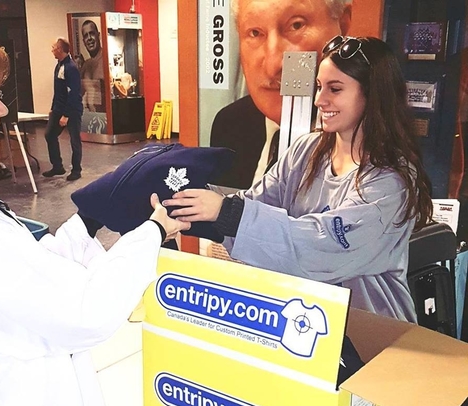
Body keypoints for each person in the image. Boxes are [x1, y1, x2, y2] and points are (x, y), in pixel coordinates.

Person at [0, 36, 190, 406]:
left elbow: (32, 276)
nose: (2, 112)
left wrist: (88, 219)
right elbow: (83, 313)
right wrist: (152, 232)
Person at [164, 36, 433, 322]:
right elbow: (256, 203)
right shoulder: (308, 150)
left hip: (372, 332)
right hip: (303, 319)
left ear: (372, 95)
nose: (320, 100)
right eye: (319, 86)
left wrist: (226, 213)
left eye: (335, 89)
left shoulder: (389, 182)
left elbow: (321, 247)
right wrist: (188, 212)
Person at [210, 0, 352, 189]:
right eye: (255, 33)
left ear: (342, 25)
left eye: (296, 25)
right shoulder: (230, 124)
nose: (273, 66)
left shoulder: (378, 142)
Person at [43, 37, 84, 181]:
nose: (52, 50)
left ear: (60, 49)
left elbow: (73, 92)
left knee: (74, 139)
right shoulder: (59, 65)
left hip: (72, 110)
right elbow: (58, 90)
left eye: (54, 47)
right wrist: (53, 109)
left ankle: (76, 169)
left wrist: (66, 115)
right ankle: (58, 166)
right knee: (49, 135)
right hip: (59, 108)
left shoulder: (71, 68)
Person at [80, 20, 105, 113]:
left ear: (98, 35)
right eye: (86, 36)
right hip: (91, 121)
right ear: (83, 41)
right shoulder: (85, 66)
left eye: (92, 33)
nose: (89, 38)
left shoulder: (107, 60)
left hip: (107, 120)